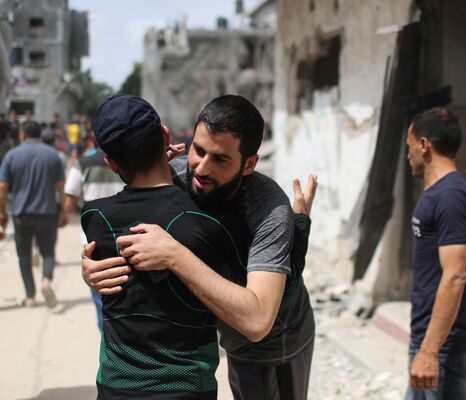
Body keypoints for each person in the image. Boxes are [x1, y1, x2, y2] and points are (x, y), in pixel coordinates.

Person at [83, 95, 318, 400]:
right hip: (223, 331)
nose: (202, 168)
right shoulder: (180, 173)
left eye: (220, 159)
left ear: (249, 164)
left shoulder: (268, 209)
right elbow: (123, 227)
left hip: (273, 344)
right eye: (198, 149)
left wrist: (175, 255)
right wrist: (93, 267)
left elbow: (258, 321)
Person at [404, 108, 466, 400]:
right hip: (430, 341)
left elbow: (455, 276)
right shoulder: (439, 194)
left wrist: (429, 352)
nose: (408, 155)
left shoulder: (450, 197)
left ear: (424, 145)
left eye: (409, 147)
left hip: (441, 348)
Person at [0, 120, 68, 307]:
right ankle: (46, 280)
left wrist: (2, 212)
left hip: (21, 214)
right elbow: (61, 186)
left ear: (22, 134)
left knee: (24, 256)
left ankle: (30, 297)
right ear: (40, 133)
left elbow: (3, 186)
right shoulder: (52, 155)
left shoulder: (11, 156)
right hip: (47, 212)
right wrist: (63, 210)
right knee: (47, 252)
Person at [64, 132, 124, 331]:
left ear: (93, 138)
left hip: (93, 241)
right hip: (126, 235)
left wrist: (74, 212)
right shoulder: (127, 159)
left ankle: (108, 337)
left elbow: (70, 195)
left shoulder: (83, 163)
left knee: (101, 295)